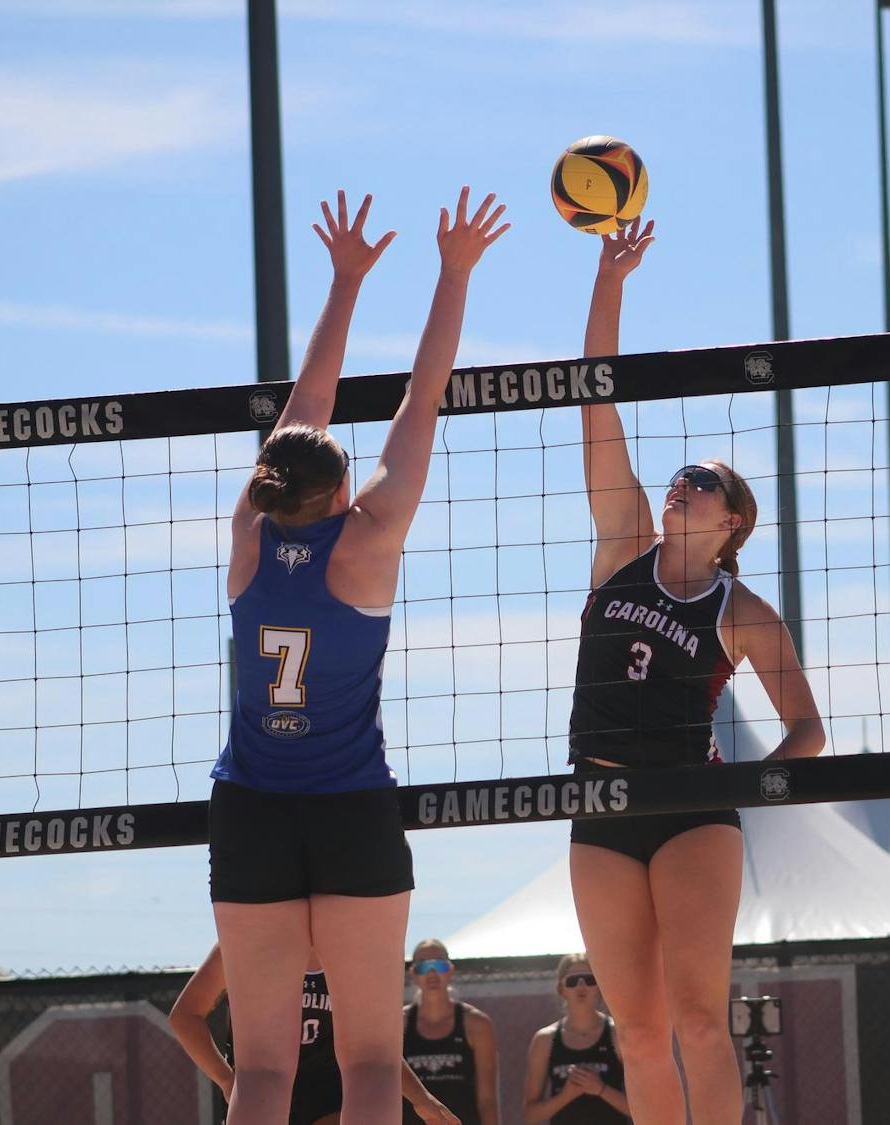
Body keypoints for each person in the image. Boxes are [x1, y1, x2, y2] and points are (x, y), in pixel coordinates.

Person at [208, 187, 508, 1125]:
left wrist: (343, 284)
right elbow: (424, 396)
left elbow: (305, 407)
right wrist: (454, 272)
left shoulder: (249, 534)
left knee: (262, 1071)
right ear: (340, 491)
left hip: (252, 808)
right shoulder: (368, 542)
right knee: (373, 1061)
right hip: (349, 808)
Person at [566, 217, 826, 1125]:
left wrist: (748, 784)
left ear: (732, 521)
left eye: (702, 481)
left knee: (698, 1021)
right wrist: (611, 282)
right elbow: (596, 403)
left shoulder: (741, 610)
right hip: (599, 800)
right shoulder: (623, 545)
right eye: (679, 475)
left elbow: (809, 729)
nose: (682, 483)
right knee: (637, 1032)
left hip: (690, 807)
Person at [169, 943, 459, 1125]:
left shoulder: (350, 950)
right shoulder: (243, 944)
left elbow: (373, 1047)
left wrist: (422, 1098)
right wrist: (225, 1079)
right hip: (261, 1083)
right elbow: (185, 1016)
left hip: (327, 1088)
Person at [522, 954, 630, 1123]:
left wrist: (600, 1089)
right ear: (561, 989)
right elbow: (530, 1116)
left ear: (600, 985)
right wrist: (566, 1095)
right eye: (573, 981)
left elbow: (642, 1107)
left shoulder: (617, 1034)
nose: (581, 986)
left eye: (589, 979)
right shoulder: (545, 1040)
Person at [402, 939, 500, 1125]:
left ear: (450, 970)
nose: (432, 973)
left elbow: (487, 1099)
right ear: (413, 973)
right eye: (423, 966)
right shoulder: (400, 1023)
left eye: (439, 965)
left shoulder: (476, 1024)